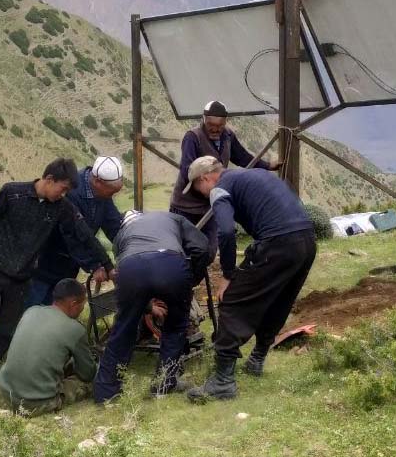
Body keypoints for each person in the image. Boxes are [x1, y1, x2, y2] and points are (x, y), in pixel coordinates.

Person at [0, 158, 111, 404]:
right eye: (62, 188)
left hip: (22, 277)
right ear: (49, 180)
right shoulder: (12, 192)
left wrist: (107, 265)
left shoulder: (61, 207)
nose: (63, 195)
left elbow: (84, 236)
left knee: (6, 327)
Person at [183, 156, 316, 402]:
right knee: (278, 300)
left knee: (232, 299)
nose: (201, 195)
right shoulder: (254, 174)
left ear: (204, 179)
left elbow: (225, 231)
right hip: (306, 241)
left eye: (198, 189)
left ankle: (223, 381)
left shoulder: (219, 188)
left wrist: (228, 274)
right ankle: (256, 359)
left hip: (278, 242)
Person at [92, 210, 210, 403]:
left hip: (132, 269)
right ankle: (163, 386)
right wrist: (190, 279)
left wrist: (145, 305)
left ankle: (106, 394)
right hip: (171, 265)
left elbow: (126, 274)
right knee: (175, 328)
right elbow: (202, 247)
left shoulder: (121, 236)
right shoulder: (171, 218)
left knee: (123, 329)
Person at [169, 100, 281, 260]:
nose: (215, 129)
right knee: (181, 251)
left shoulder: (228, 136)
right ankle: (183, 282)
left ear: (225, 122)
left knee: (208, 251)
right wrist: (206, 183)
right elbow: (187, 169)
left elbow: (242, 157)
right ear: (203, 119)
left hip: (211, 205)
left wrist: (267, 166)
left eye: (219, 125)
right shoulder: (192, 137)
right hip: (185, 207)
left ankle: (191, 278)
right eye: (210, 125)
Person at [26, 156, 124, 307]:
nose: (112, 196)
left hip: (69, 267)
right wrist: (95, 265)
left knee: (58, 310)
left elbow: (114, 226)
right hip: (45, 262)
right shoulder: (72, 191)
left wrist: (128, 247)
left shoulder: (103, 194)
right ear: (98, 181)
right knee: (34, 308)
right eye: (111, 192)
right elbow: (71, 236)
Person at [0, 279, 96, 417]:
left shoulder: (31, 311)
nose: (82, 309)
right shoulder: (75, 329)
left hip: (7, 393)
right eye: (82, 304)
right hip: (35, 404)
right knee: (87, 383)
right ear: (73, 304)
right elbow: (87, 374)